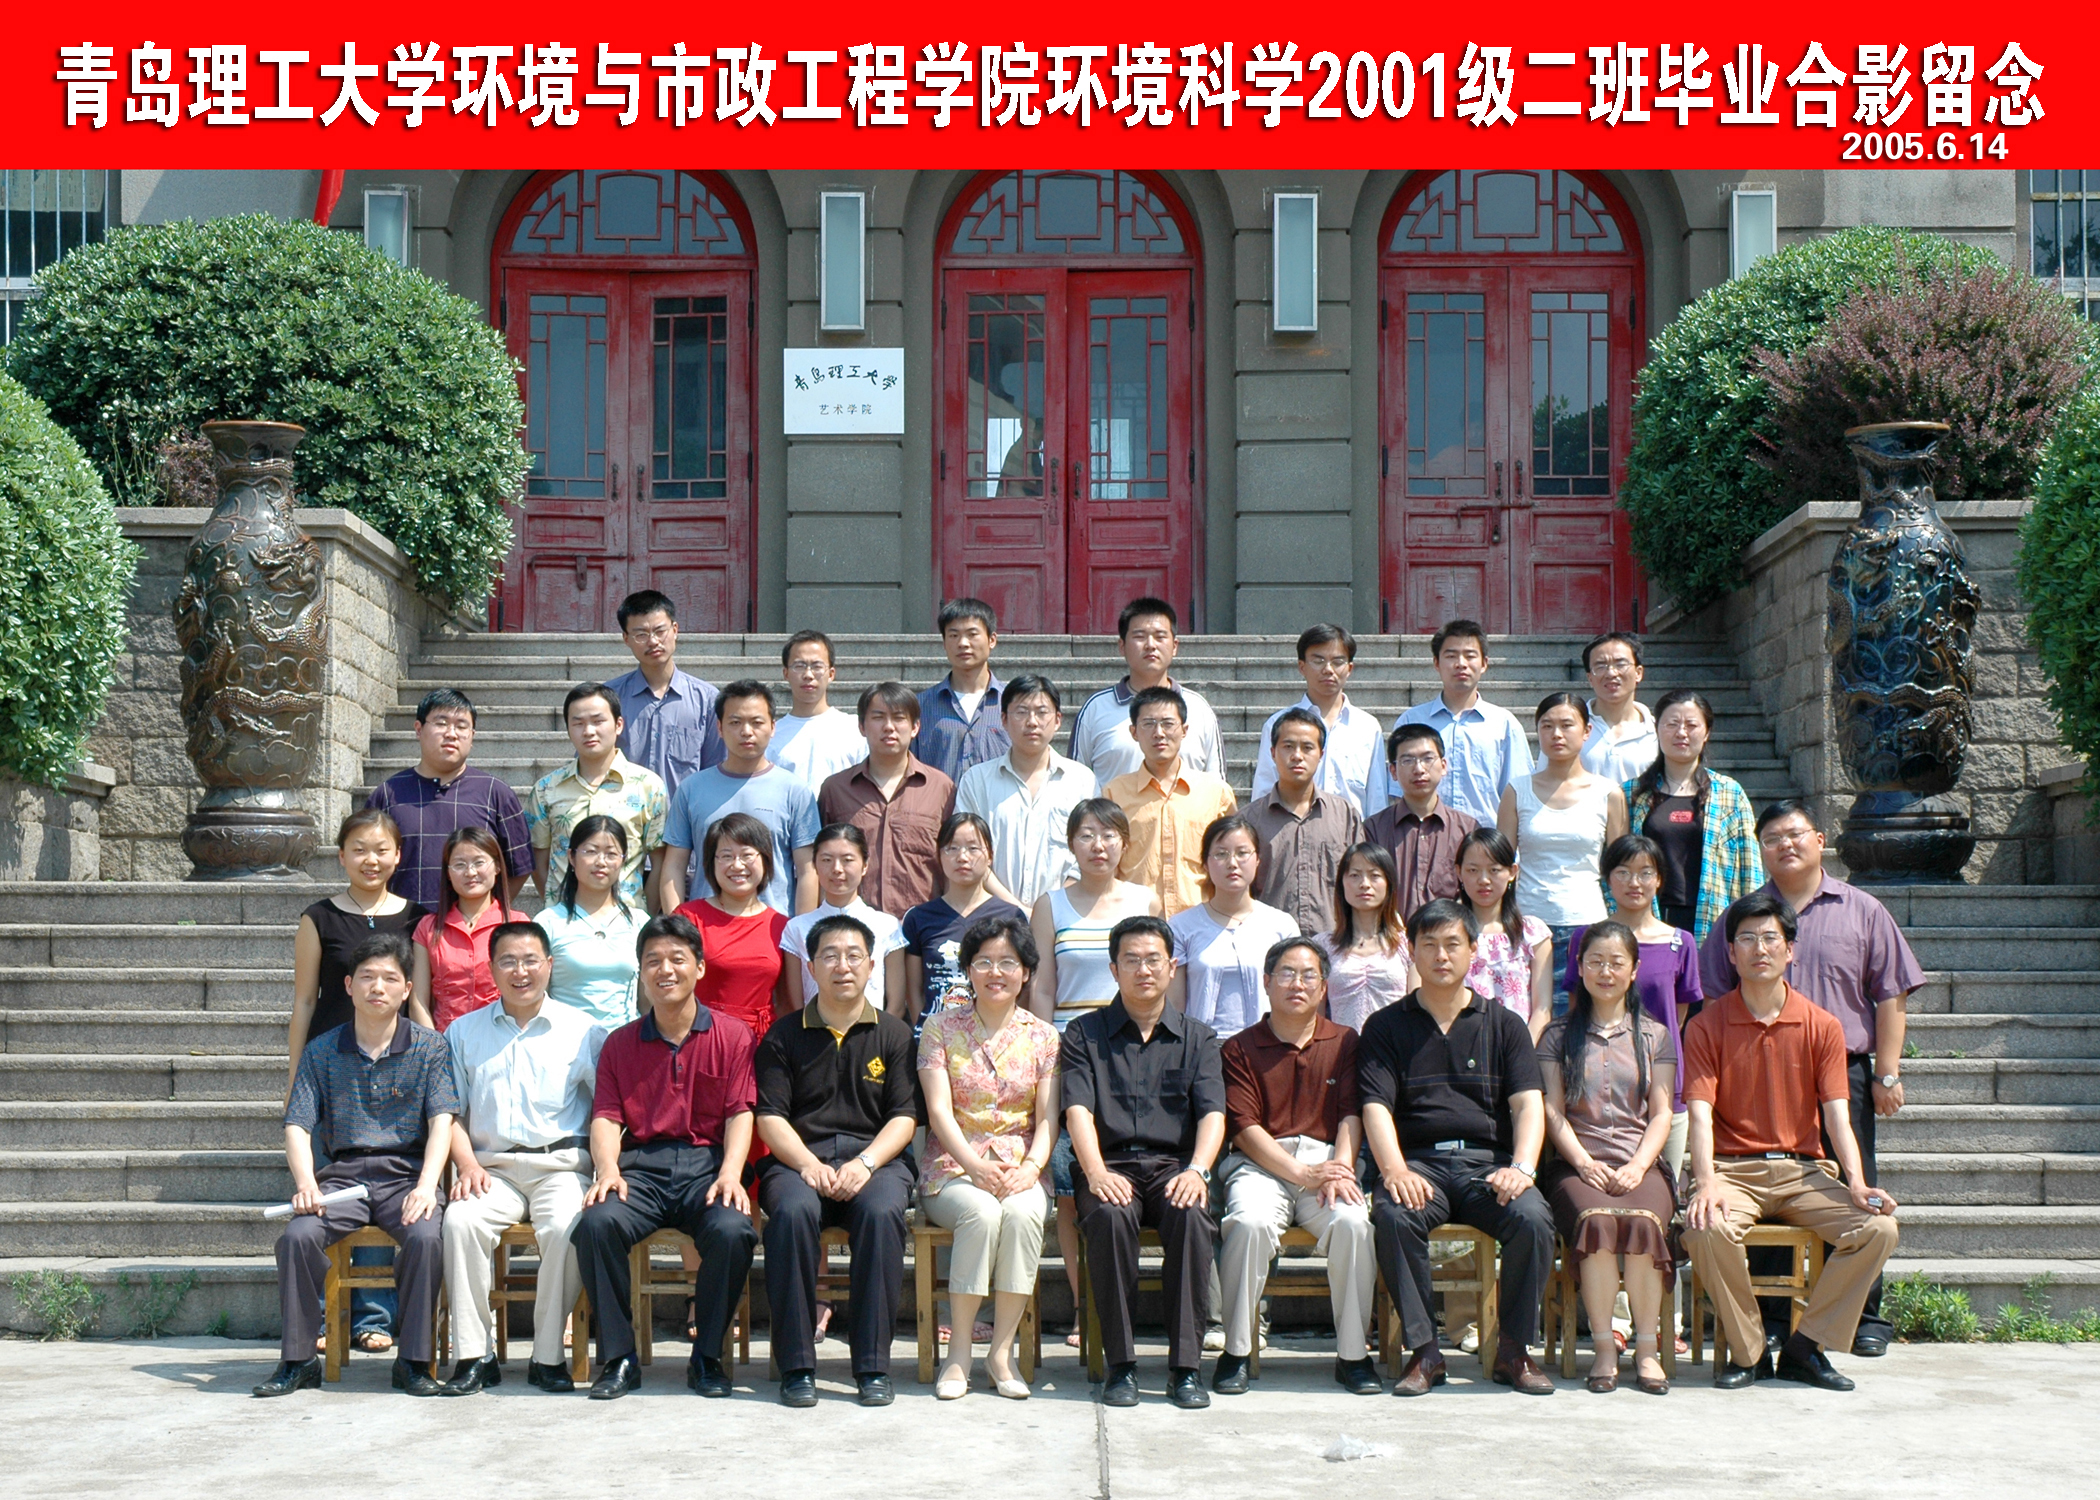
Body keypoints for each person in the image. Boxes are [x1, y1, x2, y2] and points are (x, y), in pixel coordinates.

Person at [1698, 799, 1922, 1358]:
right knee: (1768, 1191)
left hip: (1840, 1064)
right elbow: (1712, 993)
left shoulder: (1862, 909)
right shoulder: (1745, 917)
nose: (1786, 845)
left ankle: (1861, 1318)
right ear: (1760, 850)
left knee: (1856, 1189)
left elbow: (1890, 993)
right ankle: (1772, 1319)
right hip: (1755, 1064)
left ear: (1820, 840)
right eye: (1772, 838)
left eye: (1795, 834)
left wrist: (1887, 1072)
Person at [1682, 892, 1902, 1391]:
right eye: (1746, 939)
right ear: (1730, 952)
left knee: (1878, 1230)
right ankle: (1751, 1351)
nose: (1759, 949)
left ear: (1790, 950)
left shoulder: (1822, 1025)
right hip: (1734, 1171)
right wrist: (1706, 1182)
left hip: (1804, 1171)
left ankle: (1807, 1347)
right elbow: (1699, 1113)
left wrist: (1857, 1183)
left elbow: (1838, 1116)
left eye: (1770, 938)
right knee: (1705, 1229)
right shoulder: (1707, 1026)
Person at [1359, 898, 1557, 1397]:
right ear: (1411, 951)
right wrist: (1394, 1169)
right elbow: (1375, 1107)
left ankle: (1513, 1349)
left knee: (1533, 1219)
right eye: (1429, 945)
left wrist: (1523, 1168)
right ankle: (1425, 1352)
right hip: (1419, 1164)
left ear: (1473, 950)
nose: (1441, 956)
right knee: (1394, 1215)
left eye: (1452, 944)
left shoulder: (1505, 1025)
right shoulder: (1385, 1026)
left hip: (1486, 1165)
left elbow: (1528, 1106)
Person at [253, 932, 457, 1399]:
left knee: (426, 1238)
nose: (377, 987)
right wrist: (306, 1183)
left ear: (407, 989)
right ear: (348, 985)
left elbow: (442, 1120)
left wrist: (427, 1185)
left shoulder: (430, 1047)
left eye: (390, 978)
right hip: (342, 1178)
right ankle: (298, 1360)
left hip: (406, 1175)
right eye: (367, 977)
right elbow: (297, 1124)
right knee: (297, 1237)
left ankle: (414, 1361)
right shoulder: (322, 1049)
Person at [569, 913, 761, 1401]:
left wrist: (731, 1173)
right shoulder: (620, 1043)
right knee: (596, 1225)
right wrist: (607, 1170)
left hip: (707, 1169)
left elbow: (741, 1112)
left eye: (678, 958)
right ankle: (619, 1357)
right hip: (642, 1171)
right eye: (653, 961)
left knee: (733, 1231)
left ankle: (707, 1357)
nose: (665, 970)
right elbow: (606, 1116)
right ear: (640, 971)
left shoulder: (733, 1035)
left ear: (700, 967)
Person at [1060, 915, 1228, 1410]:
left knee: (1192, 1217)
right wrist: (1095, 1172)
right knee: (1109, 1218)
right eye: (1131, 960)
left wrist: (1198, 1170)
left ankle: (1186, 1369)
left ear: (1172, 967)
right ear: (1113, 969)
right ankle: (1122, 1366)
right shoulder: (1084, 1034)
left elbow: (1213, 1114)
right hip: (1108, 1164)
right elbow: (1077, 1111)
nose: (1143, 970)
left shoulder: (1199, 1038)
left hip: (1174, 1167)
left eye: (1154, 959)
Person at [754, 914, 922, 1408]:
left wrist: (866, 1164)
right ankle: (797, 1366)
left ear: (872, 966)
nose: (842, 966)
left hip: (876, 1162)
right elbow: (770, 1117)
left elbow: (904, 1117)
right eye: (829, 956)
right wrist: (807, 1164)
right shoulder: (784, 1035)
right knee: (791, 1213)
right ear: (810, 967)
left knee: (881, 1212)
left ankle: (872, 1366)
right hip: (798, 1161)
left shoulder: (895, 1034)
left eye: (853, 956)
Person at [437, 920, 605, 1395]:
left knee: (568, 1226)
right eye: (508, 961)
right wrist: (467, 1165)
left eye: (531, 960)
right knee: (461, 1223)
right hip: (491, 1169)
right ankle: (475, 1355)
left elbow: (606, 1111)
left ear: (549, 965)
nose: (520, 971)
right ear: (490, 968)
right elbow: (450, 1113)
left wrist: (603, 1169)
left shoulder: (584, 1031)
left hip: (561, 1168)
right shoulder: (463, 1032)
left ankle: (547, 1356)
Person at [288, 808, 429, 1356]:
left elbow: (418, 1001)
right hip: (334, 1072)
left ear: (398, 856)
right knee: (331, 1197)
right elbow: (304, 1000)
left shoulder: (416, 917)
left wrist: (436, 1059)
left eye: (382, 850)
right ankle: (328, 1317)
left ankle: (374, 1318)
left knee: (385, 1188)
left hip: (396, 1072)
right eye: (359, 850)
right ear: (342, 855)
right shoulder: (318, 918)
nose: (371, 860)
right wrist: (296, 1077)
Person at [1215, 937, 1380, 1397]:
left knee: (1353, 1224)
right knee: (1247, 1224)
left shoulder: (1345, 1041)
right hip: (1261, 1166)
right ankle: (1236, 1351)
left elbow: (1351, 1113)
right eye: (1287, 974)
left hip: (1328, 1163)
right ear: (1267, 982)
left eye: (1309, 975)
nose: (1297, 984)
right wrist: (1301, 1174)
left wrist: (1341, 1168)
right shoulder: (1239, 1047)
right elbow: (1243, 1128)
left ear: (1324, 987)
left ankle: (1353, 1356)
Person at [915, 914, 1061, 1400]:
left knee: (1022, 1215)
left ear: (1026, 972)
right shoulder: (940, 1028)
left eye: (1008, 963)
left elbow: (1047, 1118)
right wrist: (975, 1166)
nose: (995, 973)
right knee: (979, 1212)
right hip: (953, 1168)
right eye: (983, 962)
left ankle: (1001, 1353)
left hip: (1022, 1167)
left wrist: (1032, 1168)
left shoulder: (1044, 1036)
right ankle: (958, 1352)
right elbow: (939, 1112)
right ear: (968, 970)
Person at [1029, 798, 1161, 1335]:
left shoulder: (1144, 899)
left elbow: (1156, 972)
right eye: (1086, 835)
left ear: (1124, 844)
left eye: (1108, 835)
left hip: (1133, 1052)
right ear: (1071, 844)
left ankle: (1120, 1302)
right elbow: (1043, 985)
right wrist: (1044, 1051)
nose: (1098, 845)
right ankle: (1086, 1306)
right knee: (1070, 1185)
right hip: (1071, 1051)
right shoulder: (1051, 905)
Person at [1537, 921, 1677, 1395]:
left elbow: (1661, 1113)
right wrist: (1583, 1163)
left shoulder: (1655, 1035)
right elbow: (1552, 1111)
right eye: (1595, 961)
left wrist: (1638, 1166)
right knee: (1595, 1222)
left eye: (1617, 962)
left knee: (1643, 1225)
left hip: (1641, 1162)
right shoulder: (1557, 1036)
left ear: (1634, 970)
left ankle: (1647, 1350)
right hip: (1576, 1164)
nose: (1605, 971)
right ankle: (1602, 1348)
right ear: (1579, 967)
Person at [1562, 834, 1700, 1174]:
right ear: (1608, 879)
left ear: (1660, 879)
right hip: (1595, 1089)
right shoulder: (1586, 938)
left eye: (1645, 872)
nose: (1634, 882)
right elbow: (1577, 1009)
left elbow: (1677, 1018)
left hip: (1663, 1085)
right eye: (1622, 872)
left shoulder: (1680, 942)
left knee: (1663, 1185)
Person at [1499, 693, 1627, 1013]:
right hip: (1527, 923)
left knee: (1581, 1019)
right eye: (1547, 726)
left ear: (1586, 731)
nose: (1556, 734)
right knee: (1527, 1017)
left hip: (1587, 924)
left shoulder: (1608, 793)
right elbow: (1500, 863)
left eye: (1567, 725)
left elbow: (1621, 868)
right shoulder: (1517, 790)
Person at [659, 680, 820, 916]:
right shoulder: (691, 789)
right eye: (735, 722)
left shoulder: (795, 791)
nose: (746, 731)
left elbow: (808, 871)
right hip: (704, 928)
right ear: (719, 728)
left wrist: (799, 932)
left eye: (757, 722)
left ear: (773, 727)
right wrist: (679, 928)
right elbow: (673, 866)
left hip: (774, 929)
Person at [366, 688, 532, 909]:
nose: (451, 734)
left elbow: (520, 866)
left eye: (462, 726)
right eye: (441, 723)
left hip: (472, 928)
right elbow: (365, 862)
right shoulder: (388, 794)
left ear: (472, 736)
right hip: (402, 923)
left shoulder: (496, 793)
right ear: (418, 729)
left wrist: (485, 913)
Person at [1624, 688, 1760, 939]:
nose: (1681, 733)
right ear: (1657, 729)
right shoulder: (1632, 793)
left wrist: (1751, 925)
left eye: (1691, 725)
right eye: (1672, 724)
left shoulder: (1730, 793)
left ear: (1706, 732)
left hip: (1714, 919)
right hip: (1648, 918)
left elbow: (1749, 869)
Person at [954, 674, 1097, 909]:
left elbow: (1091, 848)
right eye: (1021, 712)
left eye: (1042, 712)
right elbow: (969, 851)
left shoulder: (1082, 781)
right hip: (992, 913)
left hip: (1066, 912)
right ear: (1004, 719)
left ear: (1058, 720)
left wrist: (1052, 908)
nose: (1032, 722)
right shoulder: (977, 781)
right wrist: (1017, 909)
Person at [526, 682, 668, 910]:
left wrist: (643, 917)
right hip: (564, 920)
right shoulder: (546, 789)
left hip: (627, 918)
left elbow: (661, 861)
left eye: (598, 721)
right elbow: (538, 858)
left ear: (618, 725)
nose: (588, 731)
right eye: (578, 723)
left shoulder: (648, 786)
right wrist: (557, 908)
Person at [818, 682, 955, 917]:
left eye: (899, 718)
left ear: (915, 727)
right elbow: (819, 862)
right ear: (862, 726)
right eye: (878, 717)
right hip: (852, 926)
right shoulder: (836, 789)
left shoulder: (941, 788)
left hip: (922, 926)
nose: (889, 727)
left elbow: (951, 862)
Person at [1107, 685, 1237, 918]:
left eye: (1168, 723)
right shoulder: (1114, 794)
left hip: (1202, 923)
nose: (1159, 733)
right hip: (1136, 923)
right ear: (1134, 732)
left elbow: (1234, 859)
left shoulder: (1216, 793)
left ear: (1184, 730)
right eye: (1148, 724)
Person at [1167, 814, 1301, 1042]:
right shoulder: (1181, 926)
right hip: (1203, 1050)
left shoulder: (1281, 925)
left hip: (1268, 1047)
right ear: (1205, 863)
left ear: (1257, 860)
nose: (1232, 863)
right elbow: (1175, 1005)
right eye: (1221, 854)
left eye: (1242, 853)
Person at [1068, 597, 1227, 784]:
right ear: (1122, 646)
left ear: (1174, 646)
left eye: (1160, 637)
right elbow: (1075, 784)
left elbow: (1218, 787)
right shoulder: (1096, 708)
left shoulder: (1199, 709)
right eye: (1139, 636)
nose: (1150, 645)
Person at [1392, 620, 1534, 827]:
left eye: (1470, 655)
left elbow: (1519, 795)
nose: (1461, 663)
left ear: (1484, 664)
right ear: (1436, 663)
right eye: (1451, 656)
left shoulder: (1504, 725)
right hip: (1423, 837)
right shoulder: (1411, 721)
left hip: (1484, 839)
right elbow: (1397, 793)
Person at [1244, 707, 1365, 936]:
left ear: (1321, 754)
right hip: (1268, 941)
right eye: (1288, 747)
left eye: (1307, 747)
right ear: (1273, 752)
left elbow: (1360, 878)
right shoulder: (1249, 820)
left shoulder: (1345, 816)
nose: (1297, 756)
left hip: (1334, 940)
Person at [674, 812, 794, 1041]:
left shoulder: (781, 926)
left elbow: (787, 1001)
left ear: (765, 860)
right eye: (726, 856)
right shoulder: (688, 918)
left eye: (747, 855)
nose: (737, 865)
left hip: (760, 1043)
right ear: (711, 863)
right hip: (701, 1037)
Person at [899, 813, 1025, 1029]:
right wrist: (927, 1032)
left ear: (990, 856)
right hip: (936, 1037)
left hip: (993, 1036)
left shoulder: (1011, 916)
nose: (962, 857)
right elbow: (914, 990)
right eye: (952, 848)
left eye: (973, 848)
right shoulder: (919, 918)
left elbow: (1022, 984)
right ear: (939, 855)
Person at [1251, 624, 1392, 816]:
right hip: (1293, 829)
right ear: (1302, 667)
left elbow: (1377, 796)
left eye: (1337, 662)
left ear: (1349, 668)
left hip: (1352, 832)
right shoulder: (1279, 724)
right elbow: (1264, 790)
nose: (1328, 669)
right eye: (1318, 661)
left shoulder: (1367, 727)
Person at [779, 823, 908, 1011]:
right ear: (814, 865)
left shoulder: (887, 926)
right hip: (814, 1028)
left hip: (874, 1028)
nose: (837, 869)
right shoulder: (797, 928)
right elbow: (795, 1004)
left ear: (864, 865)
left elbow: (896, 1004)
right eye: (827, 860)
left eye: (847, 860)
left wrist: (880, 1030)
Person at [535, 815, 648, 1029]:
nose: (601, 862)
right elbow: (537, 996)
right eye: (590, 851)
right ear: (571, 857)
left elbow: (647, 1002)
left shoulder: (640, 923)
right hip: (564, 1041)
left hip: (624, 1042)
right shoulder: (548, 922)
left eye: (611, 854)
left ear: (623, 860)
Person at [608, 589, 723, 799]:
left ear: (675, 630)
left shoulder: (706, 699)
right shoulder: (609, 698)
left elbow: (716, 769)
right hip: (624, 816)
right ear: (626, 639)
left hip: (685, 815)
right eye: (641, 635)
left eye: (660, 631)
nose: (653, 641)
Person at [1364, 723, 1478, 920]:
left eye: (1427, 759)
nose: (1419, 769)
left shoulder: (1466, 829)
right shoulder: (1374, 829)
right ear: (1393, 771)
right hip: (1390, 934)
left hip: (1448, 934)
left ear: (1443, 766)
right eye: (1407, 760)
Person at [411, 826, 520, 1032]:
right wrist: (435, 1045)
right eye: (459, 864)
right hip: (445, 1040)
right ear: (448, 873)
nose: (470, 872)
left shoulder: (517, 924)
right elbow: (418, 1001)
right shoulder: (428, 927)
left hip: (502, 1039)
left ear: (497, 866)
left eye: (479, 862)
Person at [1457, 827, 1552, 1040]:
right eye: (1473, 870)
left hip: (1517, 1046)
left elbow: (1542, 1008)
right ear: (1458, 872)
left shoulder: (1532, 933)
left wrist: (1522, 1051)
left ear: (1512, 872)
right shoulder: (1448, 933)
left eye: (1494, 870)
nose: (1484, 880)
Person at [1316, 843, 1416, 1033]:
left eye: (1374, 875)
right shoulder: (1323, 946)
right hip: (1342, 1048)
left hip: (1394, 1048)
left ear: (1389, 883)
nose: (1365, 884)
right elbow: (1316, 1017)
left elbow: (1417, 1010)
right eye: (1355, 875)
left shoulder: (1407, 943)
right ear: (1342, 883)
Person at [912, 598, 1009, 783]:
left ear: (992, 640)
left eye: (972, 634)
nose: (963, 643)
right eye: (954, 635)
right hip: (939, 802)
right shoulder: (920, 706)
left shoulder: (1013, 703)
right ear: (944, 642)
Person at [768, 630, 868, 791]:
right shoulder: (772, 735)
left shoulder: (855, 730)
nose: (808, 675)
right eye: (799, 666)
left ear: (831, 674)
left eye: (817, 666)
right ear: (786, 673)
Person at [1576, 633, 1657, 789]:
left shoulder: (1657, 731)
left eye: (1620, 664)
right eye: (1600, 666)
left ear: (1638, 673)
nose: (1611, 673)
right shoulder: (1569, 727)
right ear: (1590, 678)